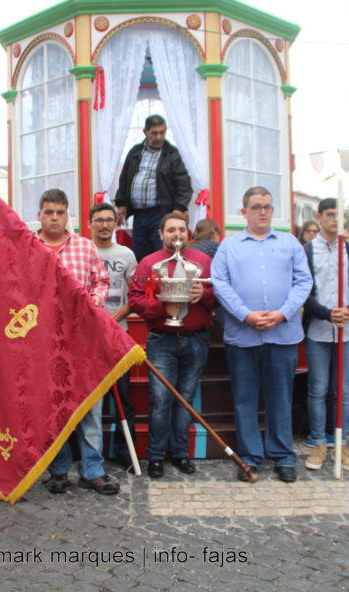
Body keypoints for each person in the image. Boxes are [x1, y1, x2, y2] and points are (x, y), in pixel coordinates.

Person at [211, 187, 311, 483]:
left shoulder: (290, 243)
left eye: (267, 206)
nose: (263, 212)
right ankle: (251, 457)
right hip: (244, 335)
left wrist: (283, 312)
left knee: (281, 398)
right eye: (256, 207)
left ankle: (282, 456)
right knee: (245, 399)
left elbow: (303, 282)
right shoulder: (229, 247)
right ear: (244, 212)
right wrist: (245, 314)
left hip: (283, 333)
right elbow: (220, 283)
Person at [34, 190, 117, 495]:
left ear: (67, 214)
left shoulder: (86, 247)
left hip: (83, 342)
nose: (54, 217)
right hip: (42, 344)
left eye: (59, 212)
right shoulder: (27, 248)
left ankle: (92, 470)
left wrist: (95, 299)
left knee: (89, 406)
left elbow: (101, 281)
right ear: (40, 214)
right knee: (51, 408)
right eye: (48, 212)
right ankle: (58, 470)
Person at [128, 212, 216, 479]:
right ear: (161, 234)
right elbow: (135, 298)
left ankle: (180, 453)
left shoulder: (203, 262)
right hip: (162, 340)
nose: (177, 234)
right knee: (160, 401)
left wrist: (205, 295)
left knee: (185, 399)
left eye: (181, 229)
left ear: (188, 233)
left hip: (196, 339)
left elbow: (220, 294)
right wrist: (161, 307)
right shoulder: (149, 263)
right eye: (171, 230)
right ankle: (156, 456)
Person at [301, 199, 349, 472]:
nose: (335, 220)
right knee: (318, 388)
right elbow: (304, 289)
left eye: (339, 215)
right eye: (330, 215)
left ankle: (341, 441)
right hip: (318, 329)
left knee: (343, 390)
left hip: (347, 331)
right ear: (319, 217)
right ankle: (318, 442)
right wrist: (326, 313)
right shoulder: (307, 250)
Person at [89, 202, 138, 468]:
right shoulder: (82, 251)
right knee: (88, 398)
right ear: (90, 224)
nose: (105, 225)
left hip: (119, 334)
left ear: (116, 224)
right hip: (88, 337)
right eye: (99, 220)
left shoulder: (126, 254)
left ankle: (124, 452)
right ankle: (84, 452)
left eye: (109, 220)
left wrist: (119, 314)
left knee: (123, 398)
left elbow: (137, 294)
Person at [115, 114, 192, 263]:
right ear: (145, 132)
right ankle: (144, 285)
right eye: (154, 133)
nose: (159, 137)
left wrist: (179, 208)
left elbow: (184, 184)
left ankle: (163, 285)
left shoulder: (172, 154)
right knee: (140, 256)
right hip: (138, 215)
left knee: (162, 255)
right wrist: (122, 204)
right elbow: (124, 179)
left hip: (161, 213)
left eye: (162, 132)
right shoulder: (135, 152)